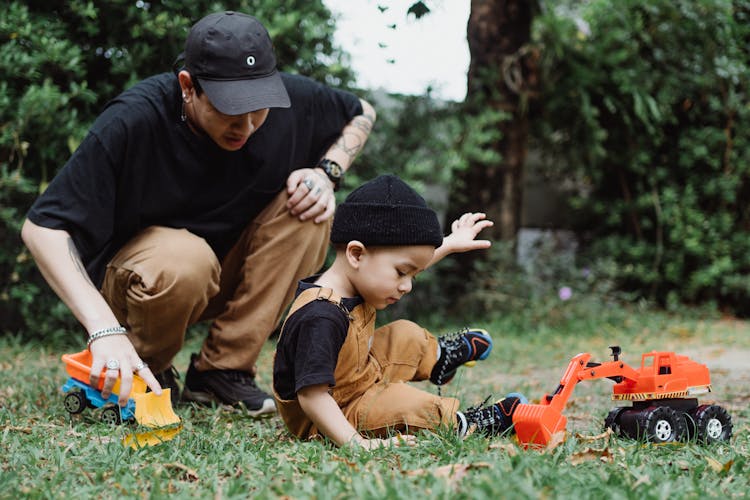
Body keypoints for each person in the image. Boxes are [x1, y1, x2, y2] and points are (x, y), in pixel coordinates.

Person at [20, 11, 376, 417]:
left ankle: (221, 373)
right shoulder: (134, 119)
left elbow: (362, 110)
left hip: (217, 277)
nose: (246, 125)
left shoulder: (287, 103)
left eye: (258, 109)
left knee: (309, 208)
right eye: (230, 109)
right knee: (186, 257)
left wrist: (326, 174)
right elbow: (42, 228)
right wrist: (104, 328)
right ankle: (142, 367)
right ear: (188, 87)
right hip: (140, 286)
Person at [272, 174, 527, 449]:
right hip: (331, 413)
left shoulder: (356, 282)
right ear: (356, 254)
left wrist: (450, 243)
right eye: (402, 273)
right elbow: (313, 397)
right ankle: (467, 424)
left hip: (357, 376)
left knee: (405, 334)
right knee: (406, 402)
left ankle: (439, 359)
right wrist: (358, 444)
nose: (406, 286)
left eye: (413, 276)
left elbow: (407, 261)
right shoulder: (320, 317)